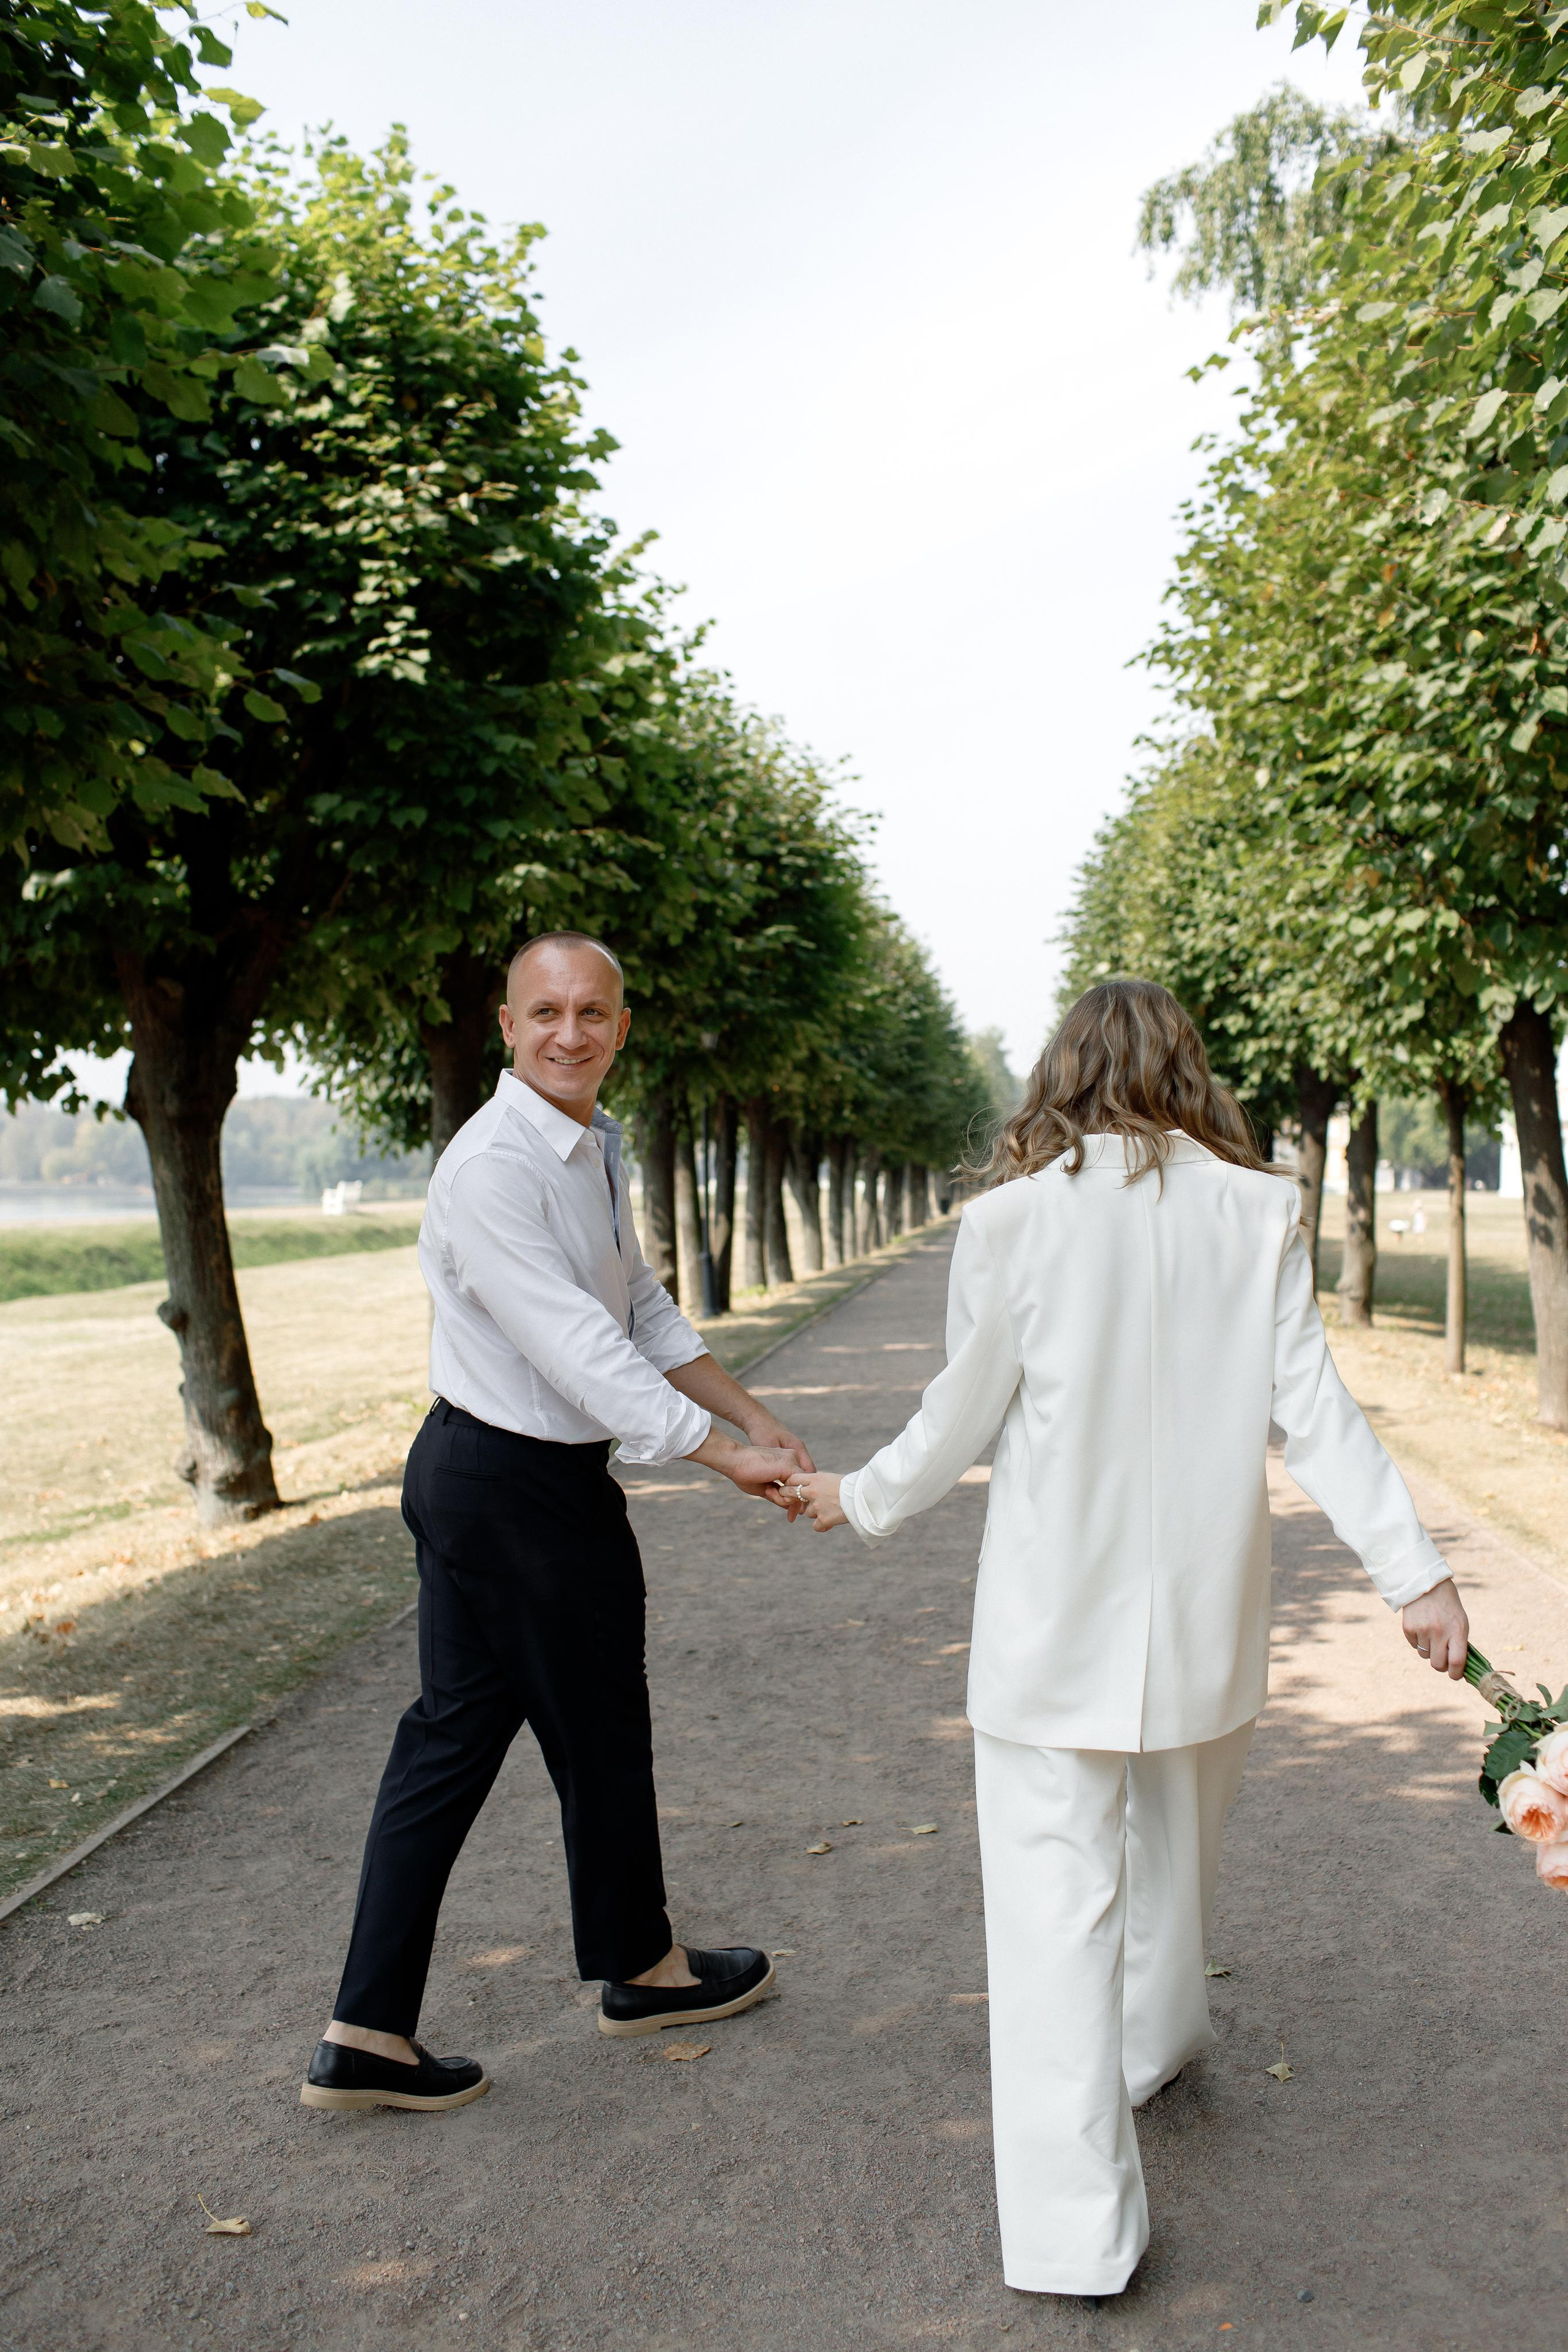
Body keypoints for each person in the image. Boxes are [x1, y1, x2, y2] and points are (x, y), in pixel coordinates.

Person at [783, 978, 1468, 2299]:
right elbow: (1317, 1414)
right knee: (1174, 1867)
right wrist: (1414, 1575)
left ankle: (1077, 2236)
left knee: (1052, 1926)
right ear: (1186, 1072)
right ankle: (1153, 2047)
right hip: (1202, 1625)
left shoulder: (1007, 1224)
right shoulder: (1259, 1211)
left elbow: (959, 1414)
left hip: (1051, 1631)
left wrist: (853, 1497)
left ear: (1062, 1075)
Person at [301, 931, 813, 2114]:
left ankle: (366, 2031)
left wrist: (753, 1415)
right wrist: (723, 1458)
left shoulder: (588, 1146)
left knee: (450, 1744)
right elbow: (579, 1351)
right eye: (546, 1012)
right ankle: (643, 1972)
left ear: (621, 1030)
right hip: (513, 1487)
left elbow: (636, 1306)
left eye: (592, 1013)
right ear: (507, 1025)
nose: (569, 1033)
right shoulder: (495, 1166)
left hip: (499, 1480)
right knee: (599, 1729)